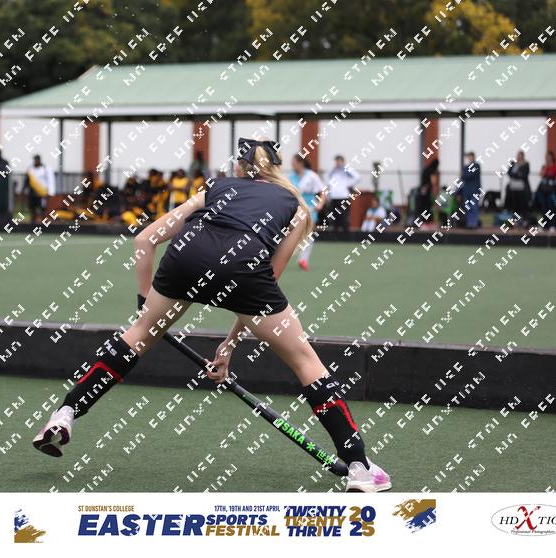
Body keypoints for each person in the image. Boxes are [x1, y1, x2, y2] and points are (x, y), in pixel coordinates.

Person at [32, 137, 392, 493]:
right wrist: (229, 345)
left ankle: (66, 413)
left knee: (138, 337)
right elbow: (266, 279)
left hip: (186, 257)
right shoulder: (297, 207)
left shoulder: (216, 187)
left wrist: (145, 307)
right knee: (305, 362)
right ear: (276, 168)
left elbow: (144, 240)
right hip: (244, 269)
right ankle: (359, 466)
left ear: (239, 167)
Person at [292, 154, 326, 271]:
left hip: (310, 209)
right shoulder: (291, 177)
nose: (292, 164)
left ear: (301, 163)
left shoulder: (312, 176)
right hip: (294, 209)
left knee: (309, 233)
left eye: (294, 162)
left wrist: (320, 204)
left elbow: (323, 191)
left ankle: (303, 260)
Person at [325, 155, 360, 233]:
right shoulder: (333, 170)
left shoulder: (347, 169)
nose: (337, 163)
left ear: (343, 161)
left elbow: (357, 177)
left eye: (339, 161)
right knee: (334, 218)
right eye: (336, 161)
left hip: (343, 197)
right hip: (334, 197)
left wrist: (348, 184)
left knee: (344, 217)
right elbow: (327, 178)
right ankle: (335, 235)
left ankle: (345, 235)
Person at [23, 154, 56, 223]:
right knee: (32, 208)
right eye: (34, 160)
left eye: (36, 160)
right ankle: (33, 222)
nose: (35, 161)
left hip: (42, 193)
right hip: (32, 192)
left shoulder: (45, 168)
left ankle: (43, 222)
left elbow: (50, 180)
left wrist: (51, 192)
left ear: (39, 160)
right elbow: (27, 180)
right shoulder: (30, 169)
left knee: (42, 208)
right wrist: (24, 189)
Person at [535, 150, 556, 229]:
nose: (547, 158)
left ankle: (552, 225)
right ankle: (544, 225)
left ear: (552, 157)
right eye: (546, 157)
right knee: (544, 208)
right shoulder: (544, 167)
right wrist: (545, 169)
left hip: (551, 191)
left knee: (551, 208)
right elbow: (541, 175)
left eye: (549, 157)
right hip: (543, 191)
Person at [505, 151, 531, 219]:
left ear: (522, 156)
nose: (518, 156)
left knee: (522, 203)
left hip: (522, 188)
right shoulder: (513, 163)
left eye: (520, 155)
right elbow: (510, 173)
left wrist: (516, 175)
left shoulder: (526, 164)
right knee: (514, 203)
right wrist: (517, 174)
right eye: (518, 155)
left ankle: (523, 218)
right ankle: (513, 216)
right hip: (513, 187)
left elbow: (524, 175)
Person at [459, 151, 481, 229]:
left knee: (474, 207)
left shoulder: (477, 166)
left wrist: (464, 174)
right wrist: (464, 175)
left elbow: (469, 175)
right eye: (469, 157)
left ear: (474, 157)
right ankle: (469, 223)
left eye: (471, 157)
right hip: (467, 191)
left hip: (474, 191)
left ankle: (474, 223)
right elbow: (463, 176)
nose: (470, 158)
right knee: (468, 208)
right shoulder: (465, 167)